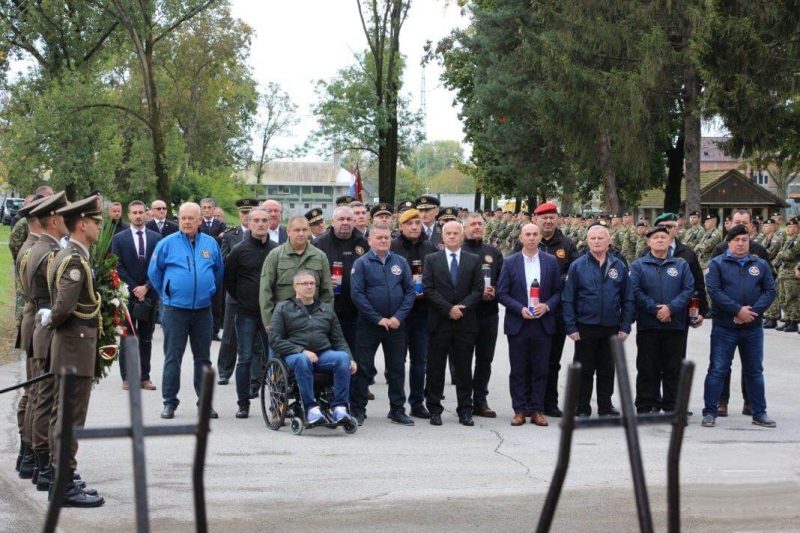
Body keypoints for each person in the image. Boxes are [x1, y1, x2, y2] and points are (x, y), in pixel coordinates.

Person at [42, 195, 106, 507]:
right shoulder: (75, 262)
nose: (99, 227)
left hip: (72, 346)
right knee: (69, 418)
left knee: (64, 415)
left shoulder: (69, 255)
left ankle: (61, 477)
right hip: (74, 347)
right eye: (96, 222)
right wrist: (51, 320)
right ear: (82, 224)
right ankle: (64, 484)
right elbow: (65, 307)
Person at [149, 202, 224, 420]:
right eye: (183, 218)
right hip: (175, 310)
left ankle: (205, 403)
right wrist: (168, 292)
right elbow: (154, 273)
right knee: (173, 357)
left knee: (203, 359)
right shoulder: (166, 244)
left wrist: (208, 289)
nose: (187, 222)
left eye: (191, 218)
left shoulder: (210, 243)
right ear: (178, 219)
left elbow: (218, 271)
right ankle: (169, 402)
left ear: (200, 220)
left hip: (203, 310)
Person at [702, 225, 776, 428]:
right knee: (717, 370)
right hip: (724, 327)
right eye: (736, 240)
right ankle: (710, 412)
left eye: (745, 240)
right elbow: (714, 292)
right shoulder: (717, 264)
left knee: (754, 371)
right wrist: (737, 310)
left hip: (752, 327)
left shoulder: (760, 264)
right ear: (728, 242)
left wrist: (751, 313)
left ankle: (759, 413)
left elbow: (770, 291)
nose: (741, 244)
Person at [562, 224, 635, 417]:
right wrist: (571, 326)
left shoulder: (618, 265)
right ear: (587, 241)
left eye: (600, 238)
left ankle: (605, 406)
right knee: (584, 369)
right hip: (585, 326)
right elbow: (568, 298)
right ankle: (582, 407)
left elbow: (628, 298)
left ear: (608, 241)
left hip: (611, 327)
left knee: (607, 369)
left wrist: (625, 326)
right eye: (592, 238)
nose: (596, 241)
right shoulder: (578, 265)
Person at [269, 270, 357, 424]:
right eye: (305, 283)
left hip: (322, 354)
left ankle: (340, 408)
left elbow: (339, 340)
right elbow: (274, 339)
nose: (309, 287)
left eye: (312, 283)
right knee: (302, 360)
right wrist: (302, 351)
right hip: (294, 356)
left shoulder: (326, 309)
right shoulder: (283, 308)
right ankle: (311, 409)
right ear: (295, 287)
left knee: (342, 358)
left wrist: (350, 358)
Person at [24, 192, 69, 487]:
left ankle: (35, 461)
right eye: (64, 216)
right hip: (47, 328)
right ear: (53, 220)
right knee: (46, 399)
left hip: (39, 326)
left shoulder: (37, 247)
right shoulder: (50, 253)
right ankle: (42, 465)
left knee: (40, 396)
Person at [350, 224, 416, 425]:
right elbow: (357, 295)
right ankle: (358, 410)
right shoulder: (361, 263)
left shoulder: (400, 262)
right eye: (379, 237)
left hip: (396, 325)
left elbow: (410, 291)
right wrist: (377, 318)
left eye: (387, 237)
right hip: (369, 325)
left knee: (396, 369)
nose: (383, 241)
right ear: (369, 240)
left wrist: (398, 317)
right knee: (363, 369)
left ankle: (397, 410)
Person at [497, 223, 562, 426]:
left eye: (535, 234)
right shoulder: (510, 262)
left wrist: (547, 306)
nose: (532, 238)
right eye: (528, 234)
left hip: (543, 323)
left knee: (541, 369)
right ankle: (519, 410)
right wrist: (519, 308)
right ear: (521, 238)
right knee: (518, 369)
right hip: (519, 322)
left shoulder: (550, 261)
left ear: (540, 237)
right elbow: (502, 293)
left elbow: (558, 291)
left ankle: (536, 410)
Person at [422, 221, 484, 426]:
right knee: (435, 368)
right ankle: (434, 409)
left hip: (465, 323)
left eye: (456, 233)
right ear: (443, 236)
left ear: (462, 235)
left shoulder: (473, 260)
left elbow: (478, 290)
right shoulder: (432, 259)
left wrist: (461, 309)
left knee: (464, 369)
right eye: (448, 233)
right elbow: (428, 289)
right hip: (439, 322)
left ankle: (465, 410)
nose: (452, 236)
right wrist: (448, 309)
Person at [629, 226, 694, 413]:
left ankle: (672, 406)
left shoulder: (680, 265)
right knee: (647, 367)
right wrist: (655, 309)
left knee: (673, 368)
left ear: (669, 241)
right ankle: (645, 405)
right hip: (648, 325)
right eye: (655, 237)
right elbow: (634, 290)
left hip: (674, 325)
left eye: (663, 237)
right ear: (648, 242)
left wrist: (670, 309)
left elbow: (688, 289)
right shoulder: (638, 265)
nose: (659, 240)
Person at [224, 207, 277, 418]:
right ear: (249, 223)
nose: (261, 224)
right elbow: (229, 280)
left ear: (270, 223)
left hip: (270, 315)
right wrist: (243, 299)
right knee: (245, 358)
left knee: (274, 358)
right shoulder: (239, 250)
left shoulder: (276, 250)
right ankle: (243, 403)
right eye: (256, 220)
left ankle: (276, 402)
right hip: (246, 313)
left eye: (264, 220)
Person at [390, 208, 438, 418]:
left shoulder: (430, 247)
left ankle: (417, 403)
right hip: (399, 312)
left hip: (422, 312)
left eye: (417, 223)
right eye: (409, 223)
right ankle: (396, 406)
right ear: (401, 226)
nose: (414, 226)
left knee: (420, 361)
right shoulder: (393, 246)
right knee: (397, 362)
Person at [11, 195, 47, 476]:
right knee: (37, 393)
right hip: (36, 323)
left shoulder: (31, 246)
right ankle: (32, 454)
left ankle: (28, 454)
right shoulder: (35, 249)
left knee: (33, 392)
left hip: (31, 321)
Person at [111, 200, 162, 391]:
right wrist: (135, 288)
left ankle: (144, 377)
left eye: (141, 212)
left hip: (149, 294)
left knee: (146, 337)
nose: (138, 216)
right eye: (134, 213)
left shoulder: (156, 238)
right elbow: (117, 266)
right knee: (127, 337)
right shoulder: (119, 238)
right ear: (129, 215)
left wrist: (146, 287)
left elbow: (159, 265)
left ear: (146, 214)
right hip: (128, 294)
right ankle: (127, 377)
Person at [462, 212, 504, 418]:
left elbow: (503, 280)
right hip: (466, 315)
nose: (477, 227)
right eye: (472, 224)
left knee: (485, 360)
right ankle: (464, 402)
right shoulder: (459, 251)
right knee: (463, 360)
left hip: (489, 314)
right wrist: (477, 293)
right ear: (464, 229)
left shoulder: (493, 252)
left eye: (479, 224)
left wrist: (495, 289)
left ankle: (480, 400)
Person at [311, 206, 368, 357]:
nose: (345, 222)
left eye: (349, 219)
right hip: (326, 309)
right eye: (341, 219)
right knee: (328, 352)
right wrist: (323, 281)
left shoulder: (363, 243)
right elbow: (307, 274)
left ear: (354, 222)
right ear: (333, 221)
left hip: (356, 310)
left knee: (354, 353)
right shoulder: (319, 243)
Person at [216, 198, 258, 385]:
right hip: (234, 293)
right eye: (244, 213)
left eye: (250, 212)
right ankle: (224, 371)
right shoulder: (230, 235)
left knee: (256, 338)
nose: (247, 216)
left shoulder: (262, 235)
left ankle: (255, 375)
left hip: (255, 293)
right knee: (229, 336)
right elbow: (224, 264)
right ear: (239, 214)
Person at [772, 217, 800, 332]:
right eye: (787, 227)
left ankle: (794, 321)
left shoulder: (798, 239)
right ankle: (787, 319)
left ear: (797, 228)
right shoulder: (789, 240)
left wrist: (780, 254)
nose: (788, 229)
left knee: (791, 298)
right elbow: (781, 255)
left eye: (791, 227)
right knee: (783, 298)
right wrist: (775, 263)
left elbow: (791, 254)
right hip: (783, 273)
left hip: (791, 274)